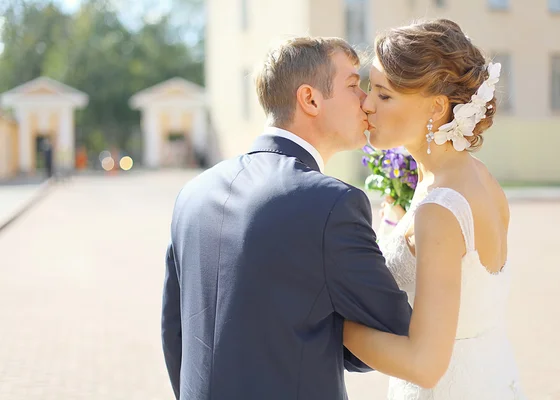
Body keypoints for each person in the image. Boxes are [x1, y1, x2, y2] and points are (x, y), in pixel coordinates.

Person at [161, 37, 412, 400]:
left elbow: (175, 333)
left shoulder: (193, 193)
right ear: (310, 99)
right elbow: (393, 329)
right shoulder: (332, 204)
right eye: (354, 85)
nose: (366, 100)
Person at [343, 19, 527, 399]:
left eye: (384, 95)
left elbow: (424, 366)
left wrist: (332, 321)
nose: (366, 104)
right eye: (367, 89)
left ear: (438, 107)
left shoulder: (440, 210)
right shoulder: (478, 177)